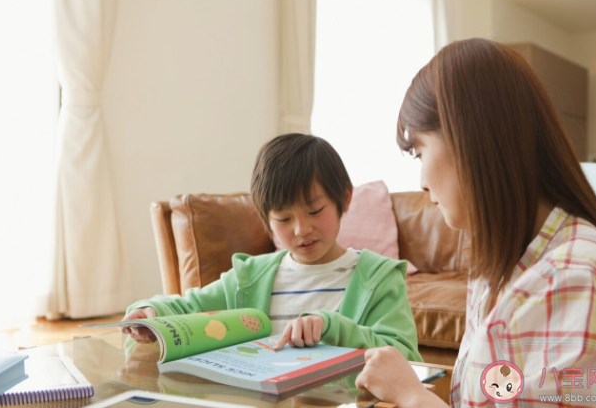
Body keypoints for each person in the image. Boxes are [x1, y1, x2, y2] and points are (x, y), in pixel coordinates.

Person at [355, 38, 596, 407]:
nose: (422, 181)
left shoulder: (576, 278)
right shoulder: (495, 268)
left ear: (468, 138)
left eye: (419, 152)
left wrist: (412, 395)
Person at [122, 133, 422, 362]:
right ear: (265, 218)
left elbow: (406, 358)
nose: (301, 229)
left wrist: (332, 327)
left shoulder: (378, 278)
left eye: (315, 211)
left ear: (344, 198)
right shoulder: (249, 277)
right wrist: (150, 312)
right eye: (283, 218)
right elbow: (189, 308)